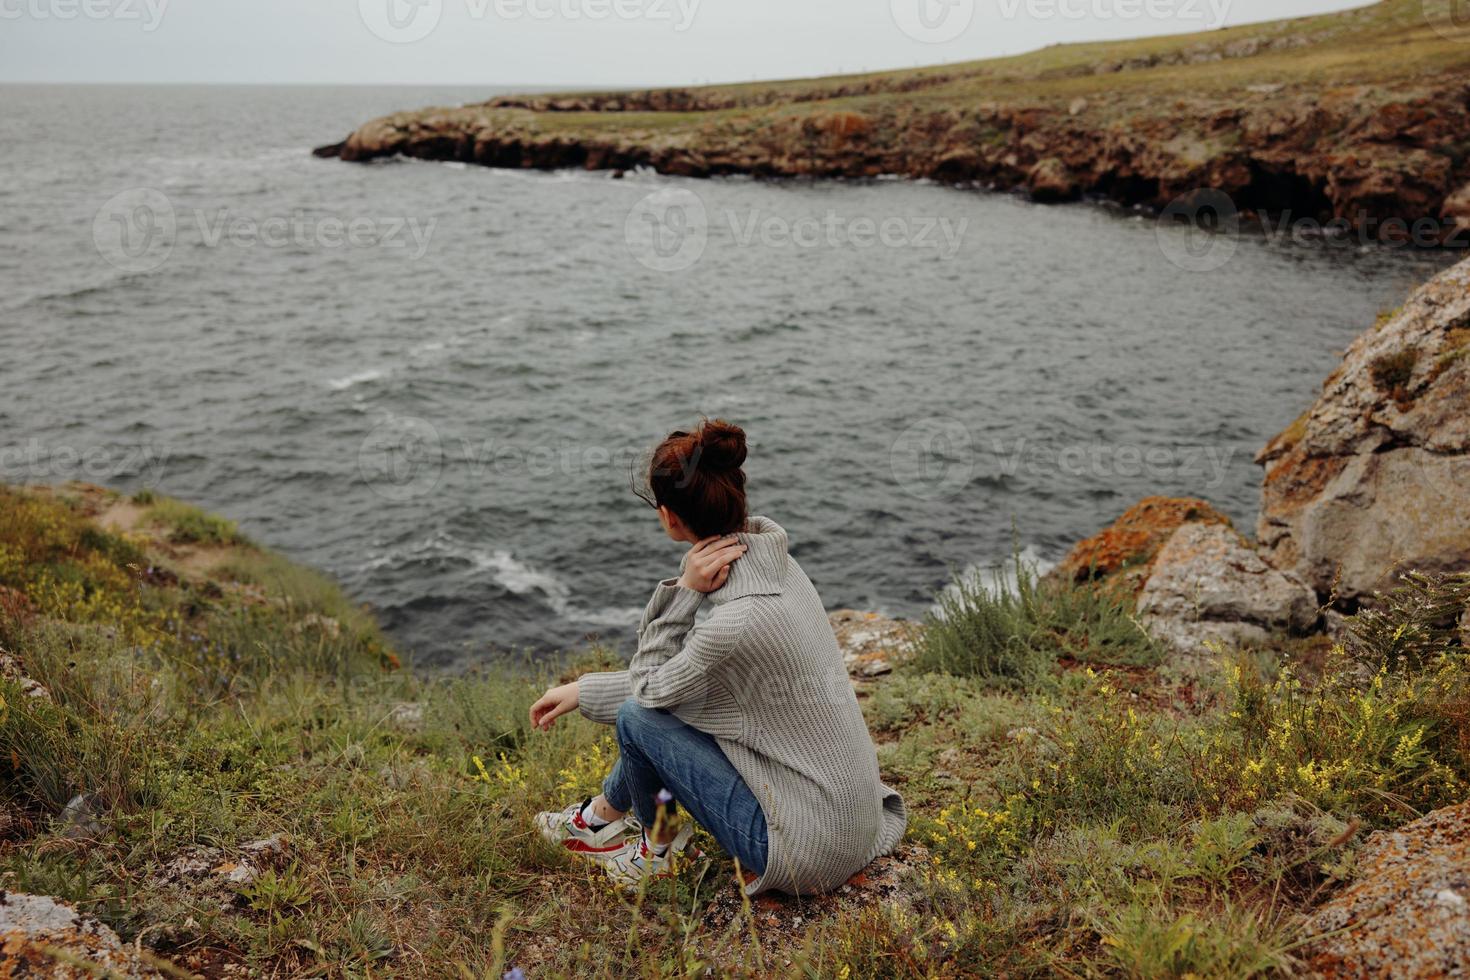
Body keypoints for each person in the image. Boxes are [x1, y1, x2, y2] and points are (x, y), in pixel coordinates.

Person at [529, 418, 906, 894]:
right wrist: (582, 690)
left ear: (668, 515)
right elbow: (687, 678)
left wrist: (684, 592)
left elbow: (649, 691)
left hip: (805, 851)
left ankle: (656, 851)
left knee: (638, 717)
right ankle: (599, 819)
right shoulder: (780, 567)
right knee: (651, 716)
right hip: (851, 820)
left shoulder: (735, 621)